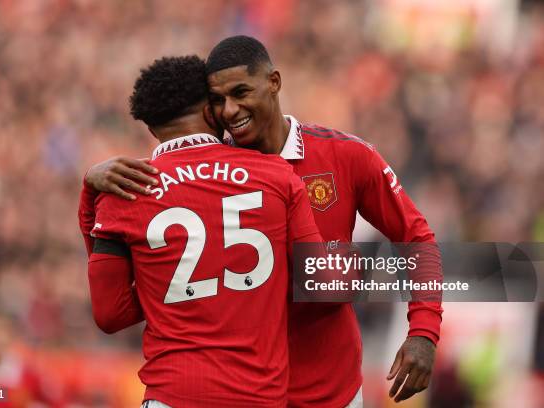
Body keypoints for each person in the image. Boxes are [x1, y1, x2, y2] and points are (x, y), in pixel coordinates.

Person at [82, 36, 443, 407]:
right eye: (218, 101)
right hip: (245, 393)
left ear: (274, 82)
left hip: (327, 390)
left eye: (241, 92)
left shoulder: (346, 156)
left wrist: (424, 332)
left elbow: (416, 235)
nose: (230, 110)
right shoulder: (201, 178)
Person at [82, 55, 325, 408]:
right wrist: (404, 271)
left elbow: (110, 315)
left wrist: (167, 286)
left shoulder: (122, 191)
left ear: (151, 127)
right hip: (258, 398)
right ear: (211, 112)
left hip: (173, 395)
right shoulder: (277, 174)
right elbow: (323, 283)